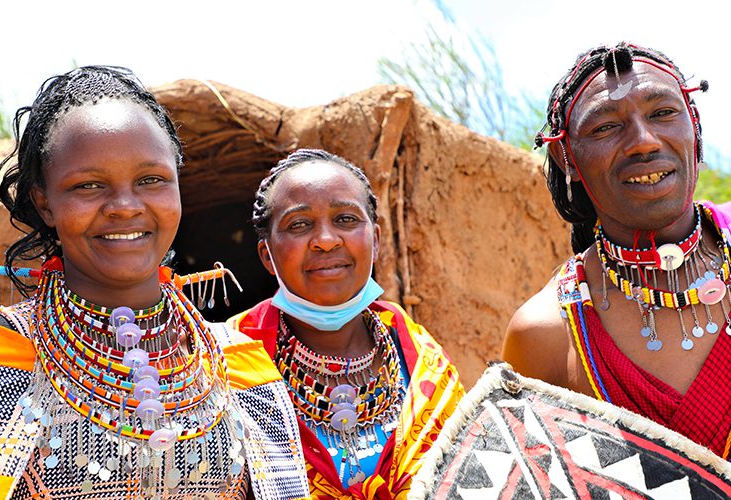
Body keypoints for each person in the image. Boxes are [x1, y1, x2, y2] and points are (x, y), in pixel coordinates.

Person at [0, 66, 309, 499]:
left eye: (151, 180)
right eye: (89, 185)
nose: (124, 206)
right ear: (45, 203)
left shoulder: (243, 367)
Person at [502, 42, 731, 458]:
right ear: (565, 156)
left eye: (663, 113)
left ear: (694, 127)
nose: (643, 142)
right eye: (605, 127)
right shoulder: (546, 334)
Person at [227, 149, 464, 499]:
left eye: (346, 220)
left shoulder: (420, 356)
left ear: (377, 240)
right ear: (268, 255)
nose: (326, 240)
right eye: (299, 225)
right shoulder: (229, 360)